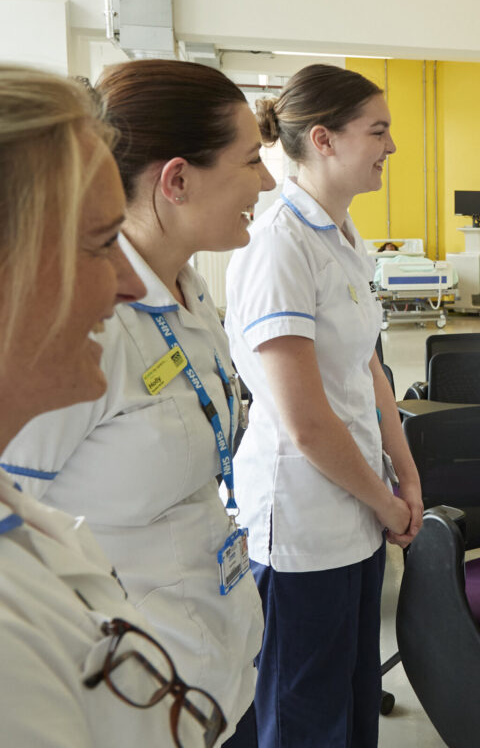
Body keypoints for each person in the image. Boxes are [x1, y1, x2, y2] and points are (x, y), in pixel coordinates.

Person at [1, 59, 273, 746]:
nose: (127, 279)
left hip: (196, 664)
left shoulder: (190, 293)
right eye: (100, 243)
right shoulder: (86, 348)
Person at [224, 64, 423, 748]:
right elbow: (305, 421)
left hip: (359, 504)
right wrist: (384, 498)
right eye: (379, 130)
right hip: (305, 515)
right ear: (324, 140)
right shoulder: (279, 243)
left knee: (350, 697)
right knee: (304, 712)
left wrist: (406, 472)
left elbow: (368, 368)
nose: (391, 146)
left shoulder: (342, 236)